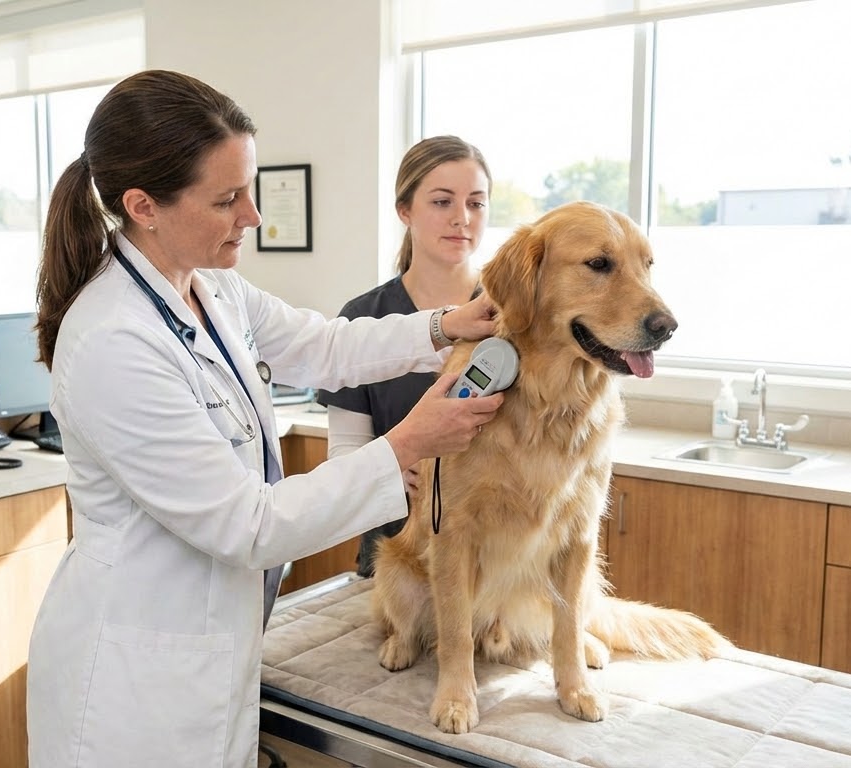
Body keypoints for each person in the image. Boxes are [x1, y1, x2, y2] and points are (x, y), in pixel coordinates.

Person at [25, 70, 503, 767]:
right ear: (143, 206)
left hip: (210, 645)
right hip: (135, 676)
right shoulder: (112, 340)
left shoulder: (211, 285)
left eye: (249, 189)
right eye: (227, 199)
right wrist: (408, 442)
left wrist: (443, 324)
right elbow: (247, 524)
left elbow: (324, 345)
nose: (252, 215)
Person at [316, 135, 492, 577]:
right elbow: (345, 455)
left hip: (493, 561)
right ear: (405, 210)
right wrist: (390, 466)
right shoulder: (363, 319)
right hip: (399, 557)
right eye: (442, 202)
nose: (461, 218)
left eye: (476, 203)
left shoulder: (513, 312)